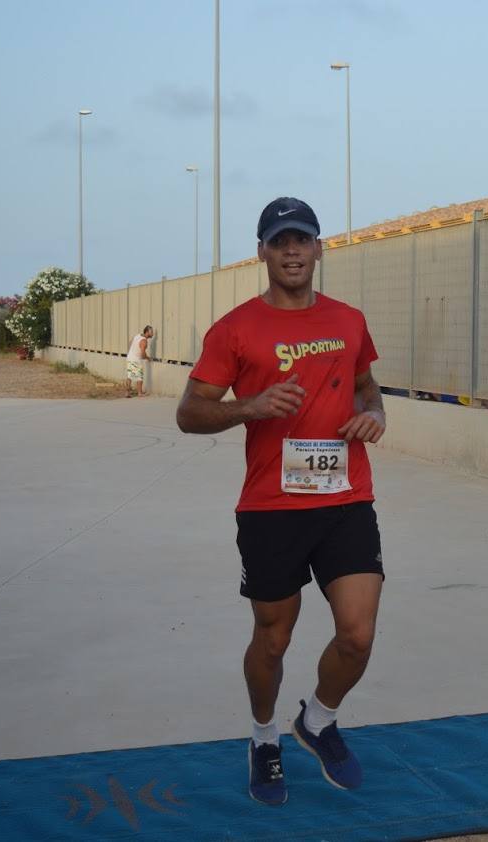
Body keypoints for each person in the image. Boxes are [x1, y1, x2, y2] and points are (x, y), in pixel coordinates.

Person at [176, 197, 387, 806]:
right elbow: (189, 412)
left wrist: (372, 414)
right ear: (262, 252)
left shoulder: (349, 320)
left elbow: (367, 386)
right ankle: (264, 736)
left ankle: (317, 722)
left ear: (320, 248)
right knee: (273, 639)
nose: (292, 250)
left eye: (303, 239)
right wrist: (250, 406)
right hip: (271, 505)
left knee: (357, 636)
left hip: (346, 496)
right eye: (280, 240)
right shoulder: (235, 329)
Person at [125, 325, 154, 397]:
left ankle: (127, 393)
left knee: (130, 376)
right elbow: (142, 354)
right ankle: (140, 393)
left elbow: (130, 342)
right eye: (151, 332)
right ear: (147, 332)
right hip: (136, 359)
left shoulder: (138, 335)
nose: (152, 334)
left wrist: (131, 351)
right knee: (139, 376)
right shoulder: (144, 341)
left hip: (130, 357)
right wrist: (148, 358)